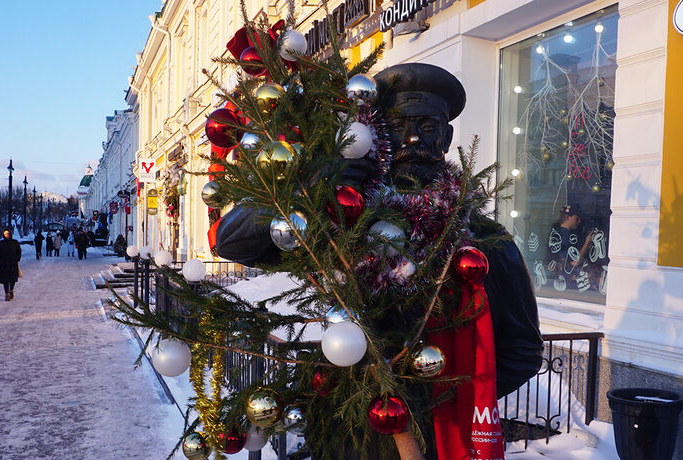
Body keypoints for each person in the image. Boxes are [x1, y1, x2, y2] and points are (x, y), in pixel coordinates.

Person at [216, 63, 543, 457]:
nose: (412, 138)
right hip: (346, 438)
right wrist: (316, 182)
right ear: (377, 137)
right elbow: (231, 242)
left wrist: (444, 396)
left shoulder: (485, 241)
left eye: (427, 126)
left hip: (438, 439)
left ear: (446, 137)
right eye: (397, 127)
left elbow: (523, 351)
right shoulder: (341, 224)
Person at [0, 229, 22, 301]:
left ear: (10, 234)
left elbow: (19, 251)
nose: (7, 235)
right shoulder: (1, 243)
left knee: (12, 279)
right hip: (4, 264)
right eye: (5, 234)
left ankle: (11, 290)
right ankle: (7, 293)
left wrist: (17, 258)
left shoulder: (15, 242)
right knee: (5, 279)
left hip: (13, 263)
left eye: (8, 234)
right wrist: (0, 259)